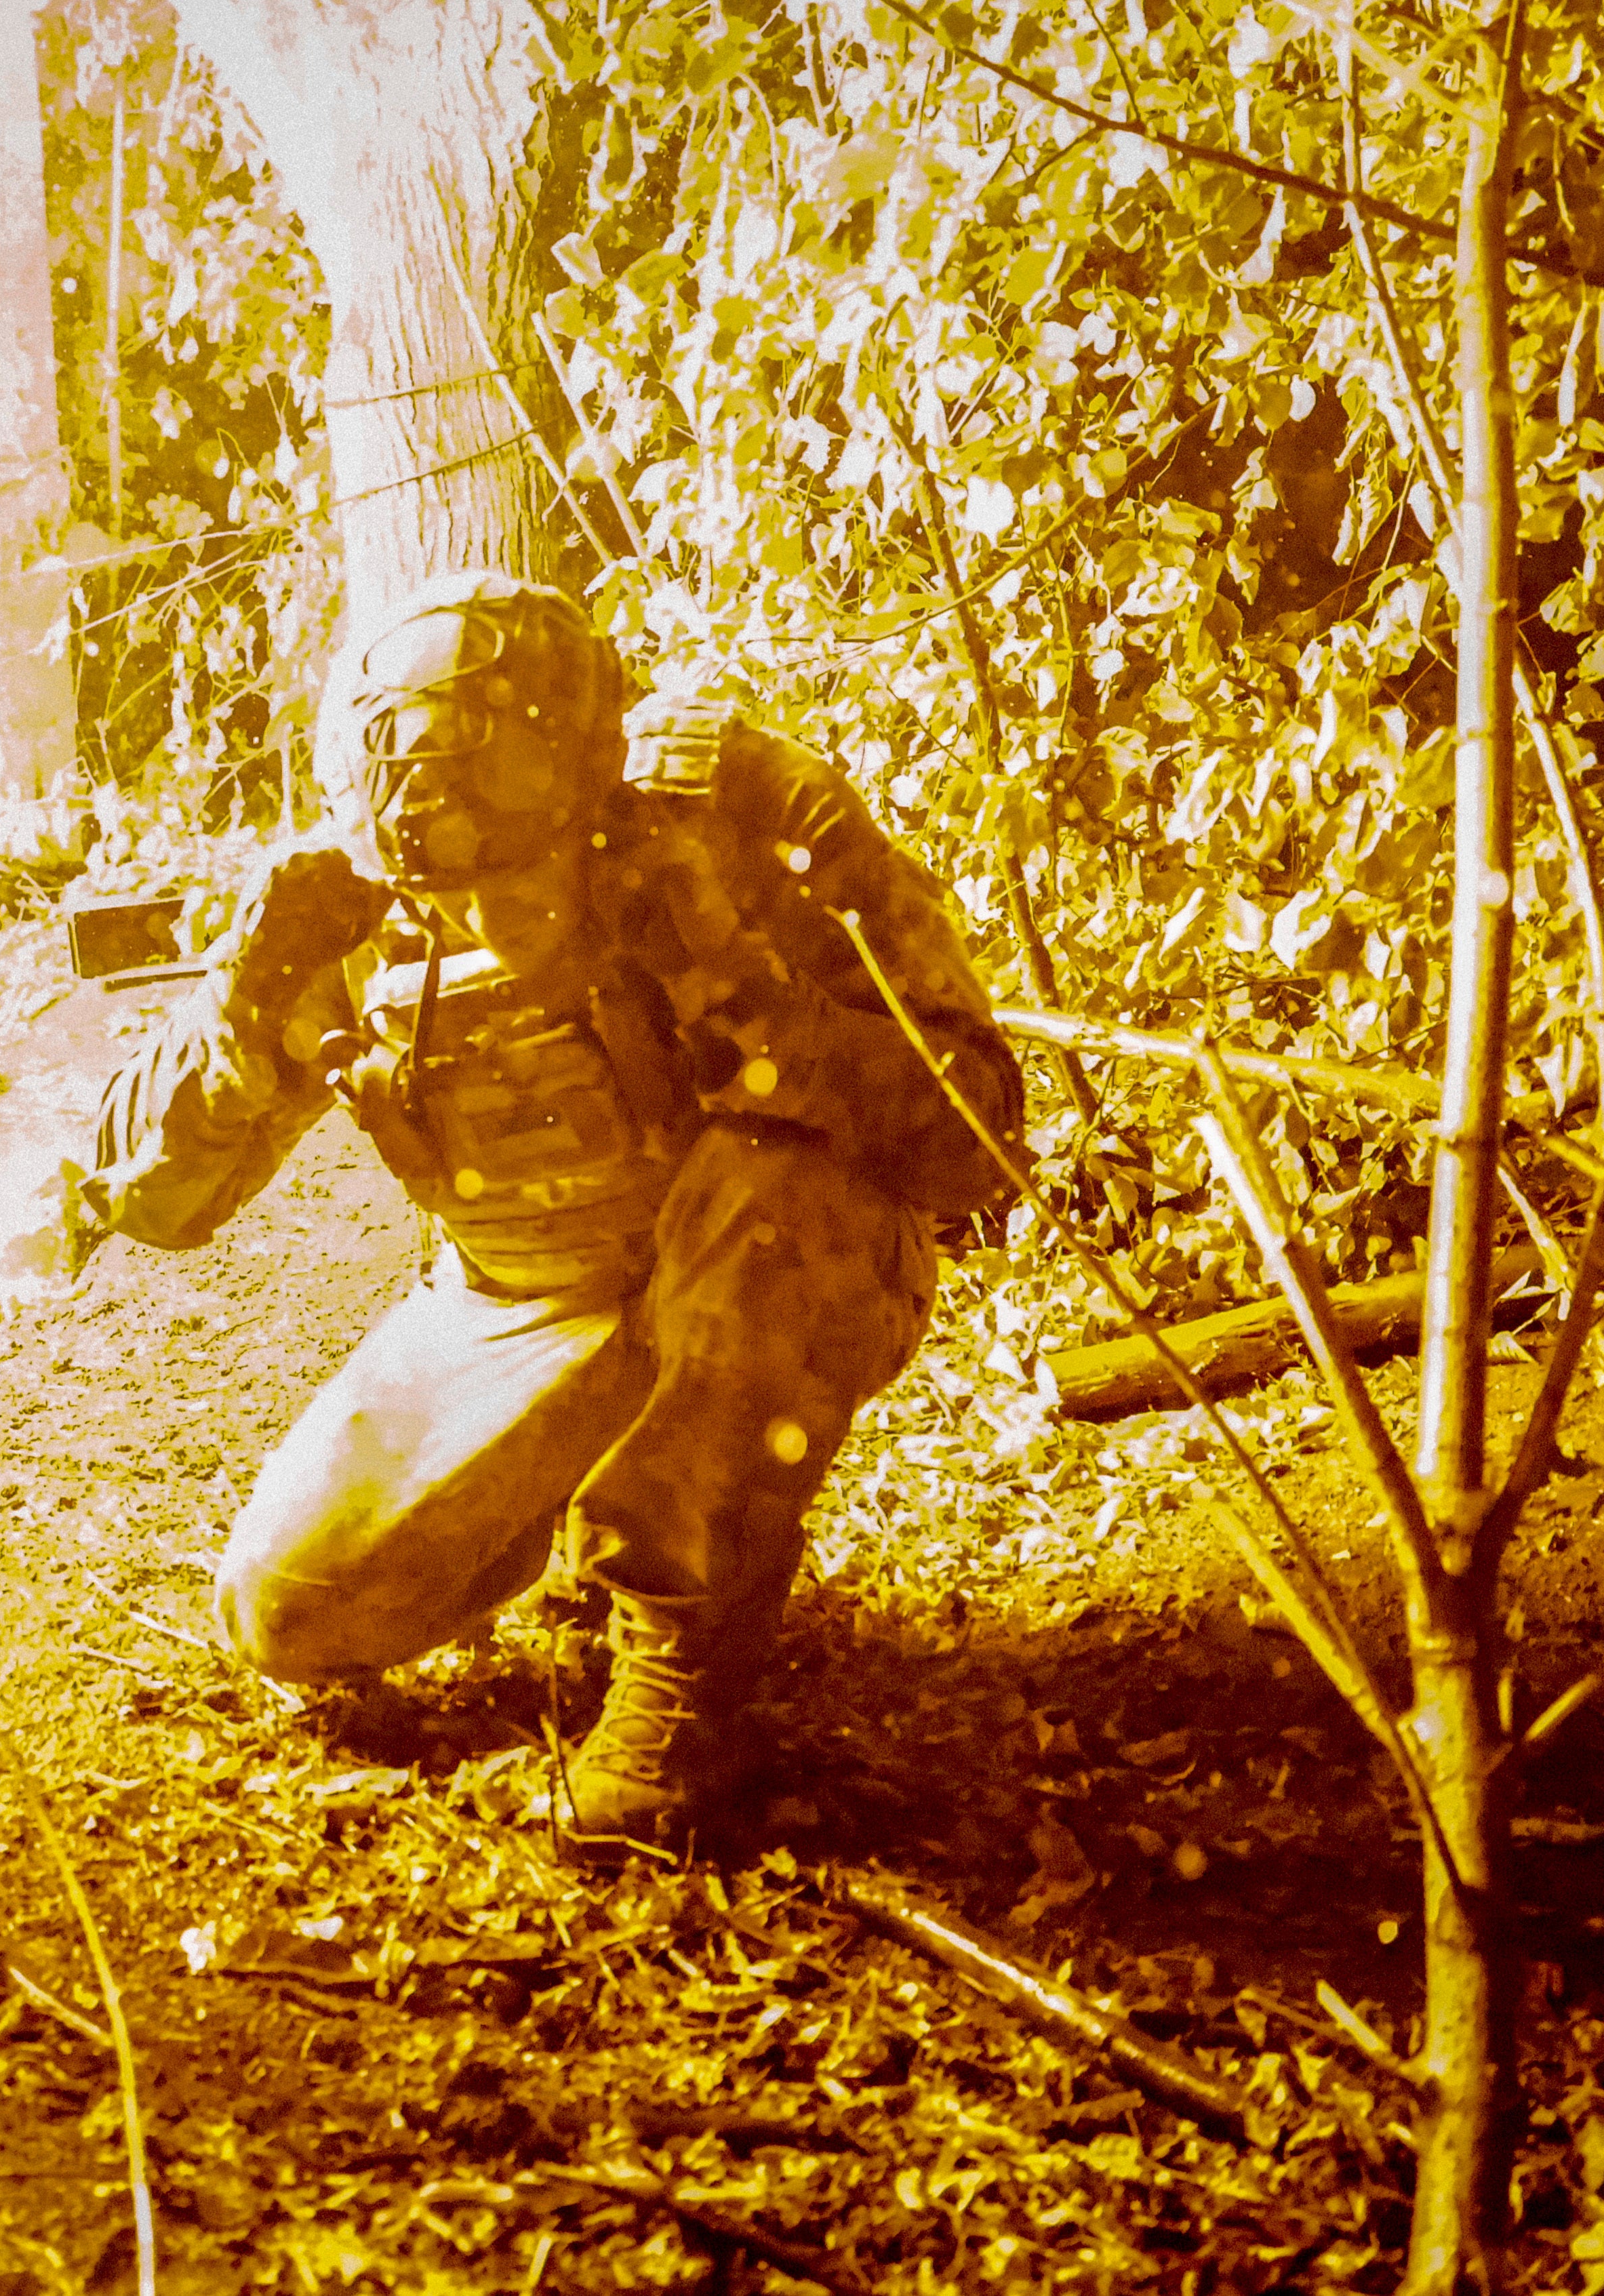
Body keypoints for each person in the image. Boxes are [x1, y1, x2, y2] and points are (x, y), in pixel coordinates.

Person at [78, 571, 1024, 1842]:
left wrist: (766, 1022)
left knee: (769, 1200)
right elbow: (156, 1202)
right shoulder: (357, 910)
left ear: (586, 779)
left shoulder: (737, 827)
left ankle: (681, 1696)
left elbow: (978, 1141)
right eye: (449, 883)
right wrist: (240, 1020)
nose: (487, 918)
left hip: (770, 1260)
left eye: (515, 868)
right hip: (529, 1301)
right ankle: (603, 1515)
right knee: (292, 1612)